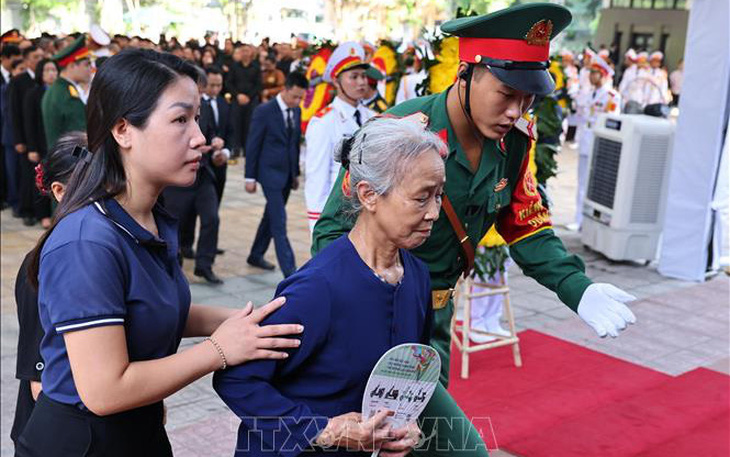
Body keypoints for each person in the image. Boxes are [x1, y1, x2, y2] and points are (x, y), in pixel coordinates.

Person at [314, 3, 637, 393]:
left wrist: (575, 285)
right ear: (464, 74)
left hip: (437, 318)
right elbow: (332, 230)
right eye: (505, 94)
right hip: (376, 317)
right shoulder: (399, 133)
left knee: (414, 442)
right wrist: (360, 310)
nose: (515, 111)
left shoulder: (512, 143)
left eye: (528, 99)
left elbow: (526, 225)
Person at [16, 49, 303, 457]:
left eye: (198, 118)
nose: (199, 137)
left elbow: (156, 311)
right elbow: (105, 390)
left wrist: (253, 321)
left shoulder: (149, 219)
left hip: (140, 428)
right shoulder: (87, 241)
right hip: (85, 443)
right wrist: (219, 350)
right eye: (180, 119)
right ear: (123, 131)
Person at [215, 117, 468, 457]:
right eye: (422, 198)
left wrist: (402, 426)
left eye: (439, 196)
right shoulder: (317, 289)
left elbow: (405, 373)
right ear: (369, 195)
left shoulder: (418, 277)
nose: (434, 213)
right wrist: (323, 429)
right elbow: (237, 379)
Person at [11, 131, 83, 449]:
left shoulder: (93, 252)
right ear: (59, 191)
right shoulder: (42, 267)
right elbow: (40, 383)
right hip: (53, 437)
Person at [163, 69, 225, 284]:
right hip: (178, 177)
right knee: (175, 226)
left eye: (200, 92)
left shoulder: (204, 106)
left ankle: (204, 265)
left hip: (202, 173)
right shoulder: (170, 109)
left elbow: (211, 132)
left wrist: (216, 143)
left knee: (212, 218)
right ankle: (174, 267)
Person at [305, 41, 374, 231]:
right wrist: (318, 229)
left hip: (370, 217)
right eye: (354, 77)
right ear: (336, 81)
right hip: (338, 219)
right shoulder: (324, 122)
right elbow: (316, 181)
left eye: (363, 76)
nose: (361, 82)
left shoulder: (372, 116)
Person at [244, 71, 308, 277]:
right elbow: (253, 145)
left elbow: (294, 144)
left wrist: (296, 174)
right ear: (285, 89)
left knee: (270, 217)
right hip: (269, 174)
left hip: (287, 175)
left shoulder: (296, 111)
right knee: (279, 220)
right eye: (295, 96)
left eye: (301, 97)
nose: (297, 101)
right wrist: (249, 177)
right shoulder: (264, 111)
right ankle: (290, 271)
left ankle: (255, 254)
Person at [573, 55, 621, 230]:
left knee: (596, 184)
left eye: (595, 73)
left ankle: (591, 221)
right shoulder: (587, 93)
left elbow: (611, 122)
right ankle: (578, 219)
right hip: (585, 141)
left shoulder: (611, 96)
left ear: (603, 75)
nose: (591, 76)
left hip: (600, 143)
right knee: (581, 181)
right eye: (590, 72)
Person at [21, 58, 59, 229]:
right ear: (40, 73)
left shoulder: (60, 92)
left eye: (54, 70)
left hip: (56, 143)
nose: (51, 74)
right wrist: (32, 147)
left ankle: (55, 213)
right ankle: (42, 213)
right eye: (47, 70)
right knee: (41, 179)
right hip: (40, 143)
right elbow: (28, 122)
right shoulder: (33, 93)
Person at [41, 36, 91, 150]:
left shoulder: (57, 89)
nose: (90, 69)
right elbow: (79, 136)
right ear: (72, 66)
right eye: (86, 65)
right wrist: (87, 160)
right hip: (70, 160)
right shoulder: (67, 94)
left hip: (61, 157)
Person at [1, 42, 23, 213]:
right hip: (6, 130)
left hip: (11, 132)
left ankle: (14, 200)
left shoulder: (18, 80)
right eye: (14, 60)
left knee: (14, 170)